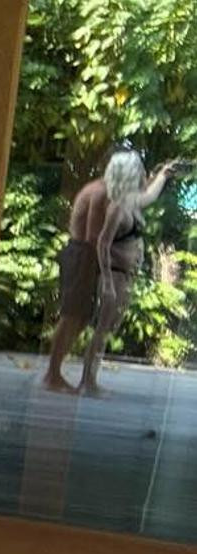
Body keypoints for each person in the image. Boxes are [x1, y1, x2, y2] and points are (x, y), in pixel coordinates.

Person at [41, 147, 187, 394]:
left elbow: (145, 195)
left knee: (81, 318)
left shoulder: (116, 193)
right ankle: (53, 375)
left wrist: (162, 174)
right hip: (82, 256)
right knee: (72, 316)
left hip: (92, 259)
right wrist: (114, 271)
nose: (142, 175)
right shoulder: (101, 193)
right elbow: (95, 239)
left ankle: (60, 374)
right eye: (138, 170)